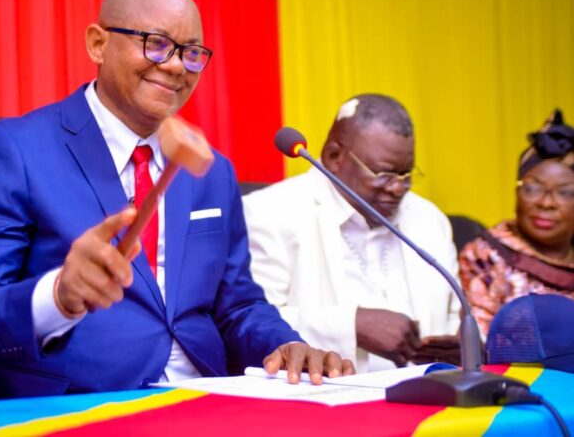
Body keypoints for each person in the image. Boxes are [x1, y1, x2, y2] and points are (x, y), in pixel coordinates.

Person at [0, 0, 353, 398]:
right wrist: (58, 296)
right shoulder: (15, 150)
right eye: (156, 44)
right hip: (86, 403)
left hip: (207, 396)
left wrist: (286, 345)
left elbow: (238, 305)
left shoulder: (212, 172)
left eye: (192, 53)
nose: (175, 66)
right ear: (98, 44)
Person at [243, 94, 461, 372]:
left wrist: (464, 345)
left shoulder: (429, 218)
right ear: (334, 156)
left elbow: (456, 314)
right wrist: (351, 326)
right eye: (383, 174)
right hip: (324, 391)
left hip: (430, 390)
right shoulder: (270, 212)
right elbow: (249, 322)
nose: (397, 188)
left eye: (406, 175)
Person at [459, 109, 574, 336]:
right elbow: (480, 342)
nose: (545, 203)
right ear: (516, 192)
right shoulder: (487, 255)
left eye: (564, 193)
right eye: (532, 189)